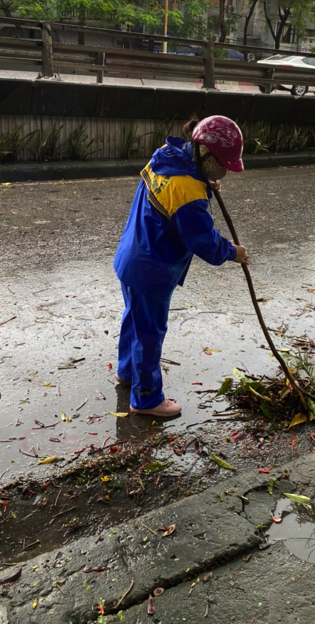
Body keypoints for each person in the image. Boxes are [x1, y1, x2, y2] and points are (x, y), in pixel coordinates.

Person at [113, 115, 250, 418]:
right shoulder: (189, 192)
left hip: (132, 257)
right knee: (150, 333)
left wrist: (206, 183)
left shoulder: (166, 157)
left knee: (135, 320)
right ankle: (146, 398)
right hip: (153, 269)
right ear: (203, 152)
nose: (224, 172)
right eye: (221, 165)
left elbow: (179, 189)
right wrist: (233, 252)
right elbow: (203, 241)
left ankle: (126, 372)